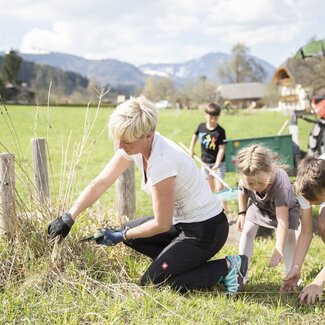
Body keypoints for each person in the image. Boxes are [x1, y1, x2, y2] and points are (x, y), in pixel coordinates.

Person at [47, 96, 247, 294]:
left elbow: (161, 224)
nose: (120, 147)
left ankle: (227, 268)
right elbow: (101, 182)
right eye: (119, 140)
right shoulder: (135, 144)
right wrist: (69, 216)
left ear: (148, 135)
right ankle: (176, 263)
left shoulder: (162, 161)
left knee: (153, 283)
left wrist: (120, 235)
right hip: (181, 223)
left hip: (206, 230)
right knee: (130, 233)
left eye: (126, 142)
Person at [235, 144, 300, 282]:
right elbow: (242, 190)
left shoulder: (280, 186)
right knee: (248, 231)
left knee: (289, 236)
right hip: (259, 206)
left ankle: (290, 273)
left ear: (270, 170)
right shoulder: (248, 174)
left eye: (260, 182)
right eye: (251, 184)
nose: (256, 186)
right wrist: (242, 212)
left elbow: (282, 221)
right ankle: (242, 273)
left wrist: (278, 249)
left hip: (285, 210)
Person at [281, 154, 325, 304]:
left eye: (315, 201)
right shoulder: (304, 187)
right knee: (323, 224)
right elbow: (306, 231)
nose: (310, 203)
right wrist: (295, 268)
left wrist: (318, 282)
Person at [189, 103, 227, 212]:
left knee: (220, 188)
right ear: (205, 115)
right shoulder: (201, 127)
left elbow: (221, 149)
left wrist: (217, 164)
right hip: (204, 163)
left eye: (216, 118)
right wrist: (191, 149)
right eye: (211, 118)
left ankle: (225, 212)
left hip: (219, 163)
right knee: (209, 188)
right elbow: (194, 136)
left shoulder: (220, 131)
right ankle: (213, 212)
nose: (213, 120)